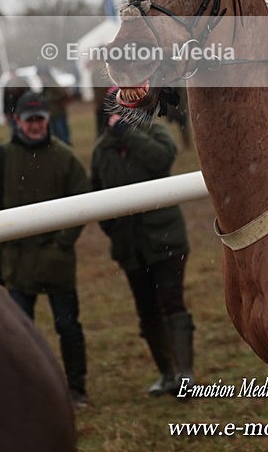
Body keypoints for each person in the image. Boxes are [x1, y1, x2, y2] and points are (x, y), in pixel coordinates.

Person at [0, 91, 90, 407]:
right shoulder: (2, 158)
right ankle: (24, 389)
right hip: (17, 262)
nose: (35, 126)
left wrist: (63, 244)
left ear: (47, 119)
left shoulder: (65, 157)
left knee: (68, 327)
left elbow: (83, 201)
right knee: (20, 333)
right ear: (17, 121)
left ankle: (77, 389)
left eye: (40, 119)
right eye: (29, 120)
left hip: (57, 262)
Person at [90, 104, 194, 396]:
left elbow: (163, 159)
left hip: (166, 240)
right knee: (146, 311)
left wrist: (130, 136)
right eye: (114, 112)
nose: (118, 118)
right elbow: (97, 192)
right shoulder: (101, 150)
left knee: (172, 303)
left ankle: (186, 376)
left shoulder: (154, 131)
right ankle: (167, 374)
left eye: (123, 111)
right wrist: (114, 231)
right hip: (130, 248)